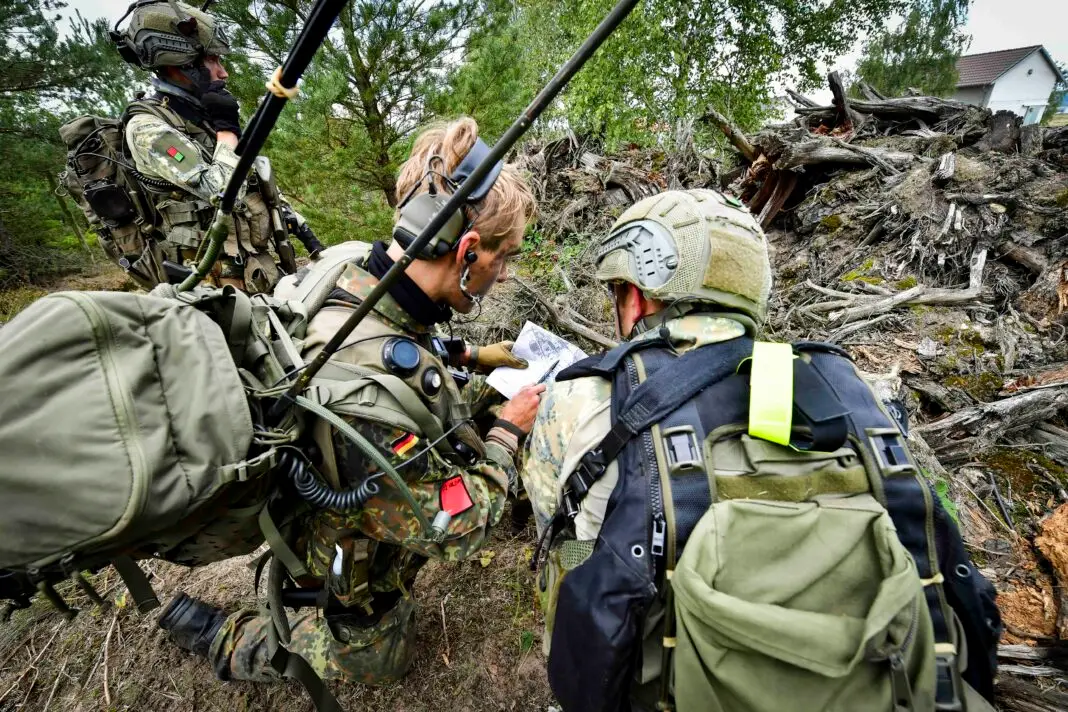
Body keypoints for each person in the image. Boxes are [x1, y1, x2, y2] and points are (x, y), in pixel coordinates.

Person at [522, 189, 1000, 712]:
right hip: (881, 680)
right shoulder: (847, 391)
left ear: (638, 296)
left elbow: (550, 511)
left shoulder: (584, 396)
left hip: (673, 682)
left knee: (571, 554)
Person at [156, 116, 544, 689]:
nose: (504, 274)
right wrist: (507, 433)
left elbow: (400, 331)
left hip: (345, 466)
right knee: (381, 659)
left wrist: (470, 356)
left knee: (480, 411)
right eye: (503, 257)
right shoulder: (369, 399)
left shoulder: (355, 264)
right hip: (336, 536)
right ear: (465, 250)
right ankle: (234, 638)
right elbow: (456, 526)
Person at [109, 0, 322, 292]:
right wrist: (226, 132)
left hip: (252, 267)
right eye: (213, 60)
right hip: (207, 283)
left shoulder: (202, 114)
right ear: (180, 64)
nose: (223, 73)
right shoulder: (147, 129)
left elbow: (252, 178)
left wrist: (302, 230)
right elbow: (222, 193)